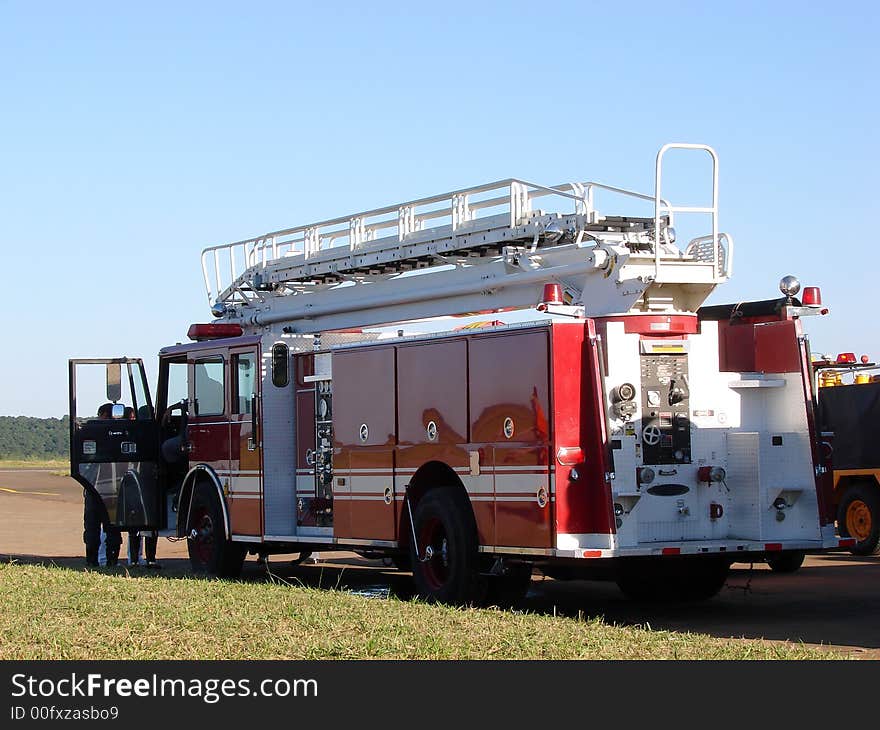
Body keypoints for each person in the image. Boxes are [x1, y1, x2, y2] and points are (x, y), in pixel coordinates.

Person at [82, 403, 122, 567]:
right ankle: (111, 561)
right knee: (112, 526)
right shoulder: (119, 432)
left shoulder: (90, 431)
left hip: (92, 487)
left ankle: (92, 560)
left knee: (92, 525)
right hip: (112, 487)